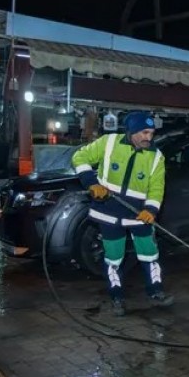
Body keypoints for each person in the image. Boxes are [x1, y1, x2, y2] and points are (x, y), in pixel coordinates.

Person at [71, 111, 173, 316]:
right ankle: (116, 297)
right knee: (113, 258)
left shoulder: (156, 157)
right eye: (144, 132)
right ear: (132, 131)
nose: (149, 137)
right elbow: (79, 157)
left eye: (151, 133)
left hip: (139, 215)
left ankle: (156, 292)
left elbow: (156, 188)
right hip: (109, 212)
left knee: (149, 254)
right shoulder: (108, 143)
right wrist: (91, 183)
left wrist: (151, 209)